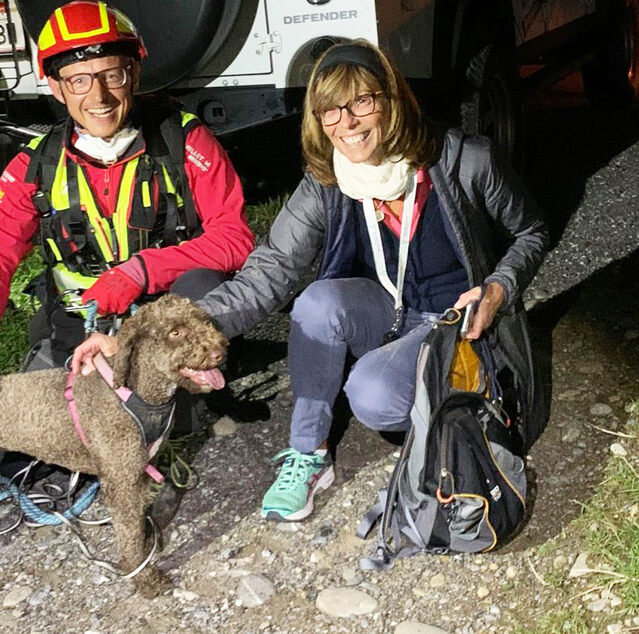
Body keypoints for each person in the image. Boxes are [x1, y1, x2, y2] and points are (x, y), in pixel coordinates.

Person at [74, 39, 549, 522]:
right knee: (317, 302)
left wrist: (499, 288)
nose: (348, 124)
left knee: (373, 396)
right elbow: (267, 273)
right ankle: (309, 454)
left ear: (391, 99)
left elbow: (532, 232)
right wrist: (140, 337)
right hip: (385, 311)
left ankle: (462, 395)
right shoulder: (327, 182)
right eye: (330, 112)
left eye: (362, 101)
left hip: (456, 320)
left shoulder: (463, 159)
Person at [0, 0, 254, 428]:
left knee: (198, 295)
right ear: (57, 87)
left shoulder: (184, 140)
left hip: (165, 318)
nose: (98, 96)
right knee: (39, 434)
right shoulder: (33, 167)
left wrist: (140, 272)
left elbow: (235, 239)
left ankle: (186, 395)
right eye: (79, 80)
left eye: (111, 75)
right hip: (83, 322)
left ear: (133, 74)